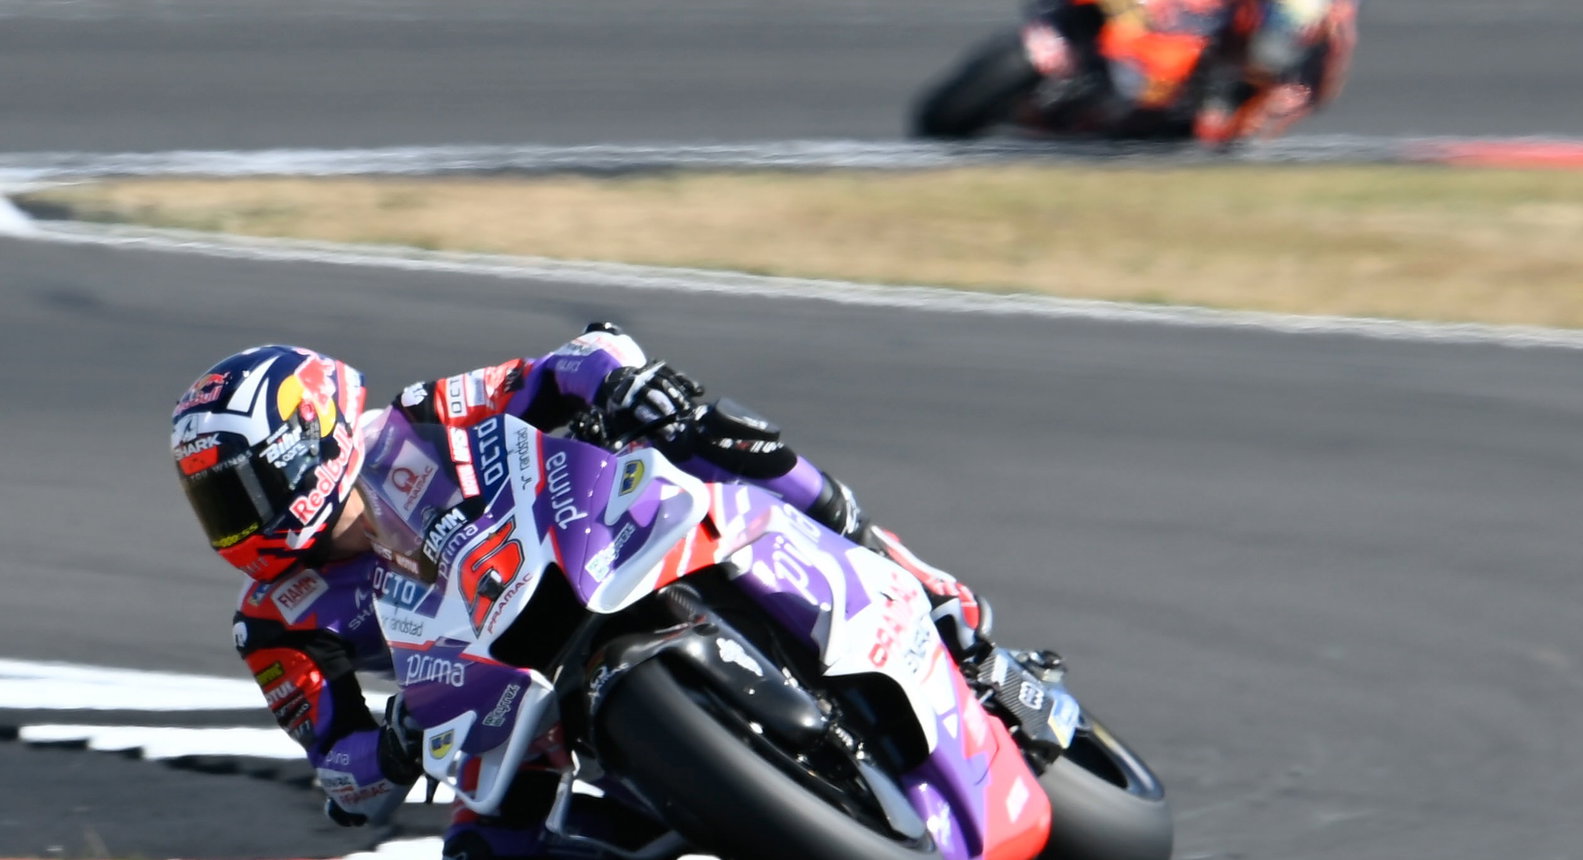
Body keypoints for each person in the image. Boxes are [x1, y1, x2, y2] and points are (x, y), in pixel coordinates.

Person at [170, 323, 993, 859]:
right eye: (214, 503)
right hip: (501, 708)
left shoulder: (420, 418)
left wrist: (621, 383)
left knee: (711, 439)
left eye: (241, 490)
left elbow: (560, 368)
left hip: (591, 554)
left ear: (307, 441)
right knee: (480, 855)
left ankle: (911, 571)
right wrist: (390, 747)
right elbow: (343, 781)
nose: (235, 522)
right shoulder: (277, 620)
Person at [1021, 0, 1364, 142]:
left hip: (1223, 46)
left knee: (1216, 124)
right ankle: (1057, 23)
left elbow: (1334, 34)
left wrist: (1297, 96)